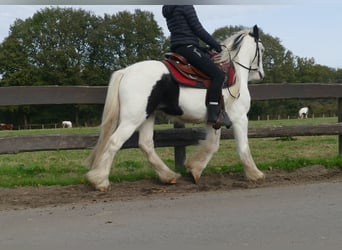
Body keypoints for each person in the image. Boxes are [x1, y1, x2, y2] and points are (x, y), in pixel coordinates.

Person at [162, 5, 232, 128]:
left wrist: (201, 48)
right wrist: (216, 45)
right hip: (188, 47)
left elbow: (183, 32)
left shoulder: (167, 7)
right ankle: (213, 114)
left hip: (178, 47)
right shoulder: (186, 6)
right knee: (218, 75)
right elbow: (198, 29)